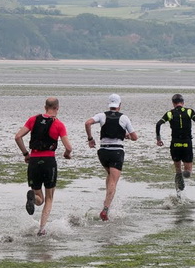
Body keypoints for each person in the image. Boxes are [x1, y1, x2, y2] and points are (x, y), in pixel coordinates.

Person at [15, 97, 72, 236]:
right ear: (57, 108)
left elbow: (17, 137)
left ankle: (33, 199)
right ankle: (42, 229)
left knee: (38, 197)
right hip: (49, 162)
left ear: (45, 107)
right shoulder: (59, 124)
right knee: (49, 198)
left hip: (34, 161)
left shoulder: (33, 119)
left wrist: (25, 154)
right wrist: (67, 154)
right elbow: (69, 147)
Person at [85, 93, 138, 221]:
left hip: (103, 152)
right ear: (119, 105)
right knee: (114, 181)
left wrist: (90, 139)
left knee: (110, 176)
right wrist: (127, 135)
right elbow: (135, 137)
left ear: (110, 105)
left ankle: (106, 200)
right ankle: (105, 209)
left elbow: (87, 123)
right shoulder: (124, 118)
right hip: (116, 152)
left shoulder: (101, 115)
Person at [156, 93, 195, 192]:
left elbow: (158, 124)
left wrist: (158, 139)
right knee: (188, 172)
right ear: (183, 102)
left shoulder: (170, 113)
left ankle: (179, 186)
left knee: (178, 170)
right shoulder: (189, 111)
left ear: (173, 103)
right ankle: (185, 175)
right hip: (187, 143)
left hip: (175, 144)